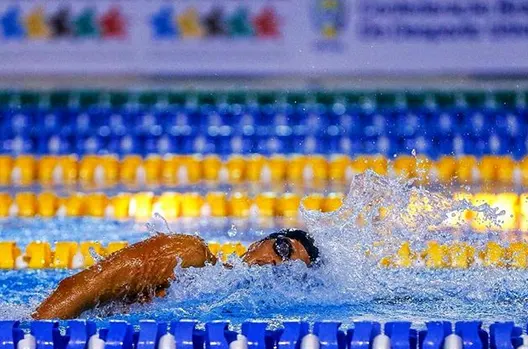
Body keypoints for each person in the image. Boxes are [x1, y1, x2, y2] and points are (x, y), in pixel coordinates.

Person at [32, 229, 319, 319]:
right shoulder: (189, 255)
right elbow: (78, 288)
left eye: (290, 270)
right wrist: (35, 336)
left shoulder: (241, 315)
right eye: (282, 249)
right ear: (259, 243)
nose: (277, 264)